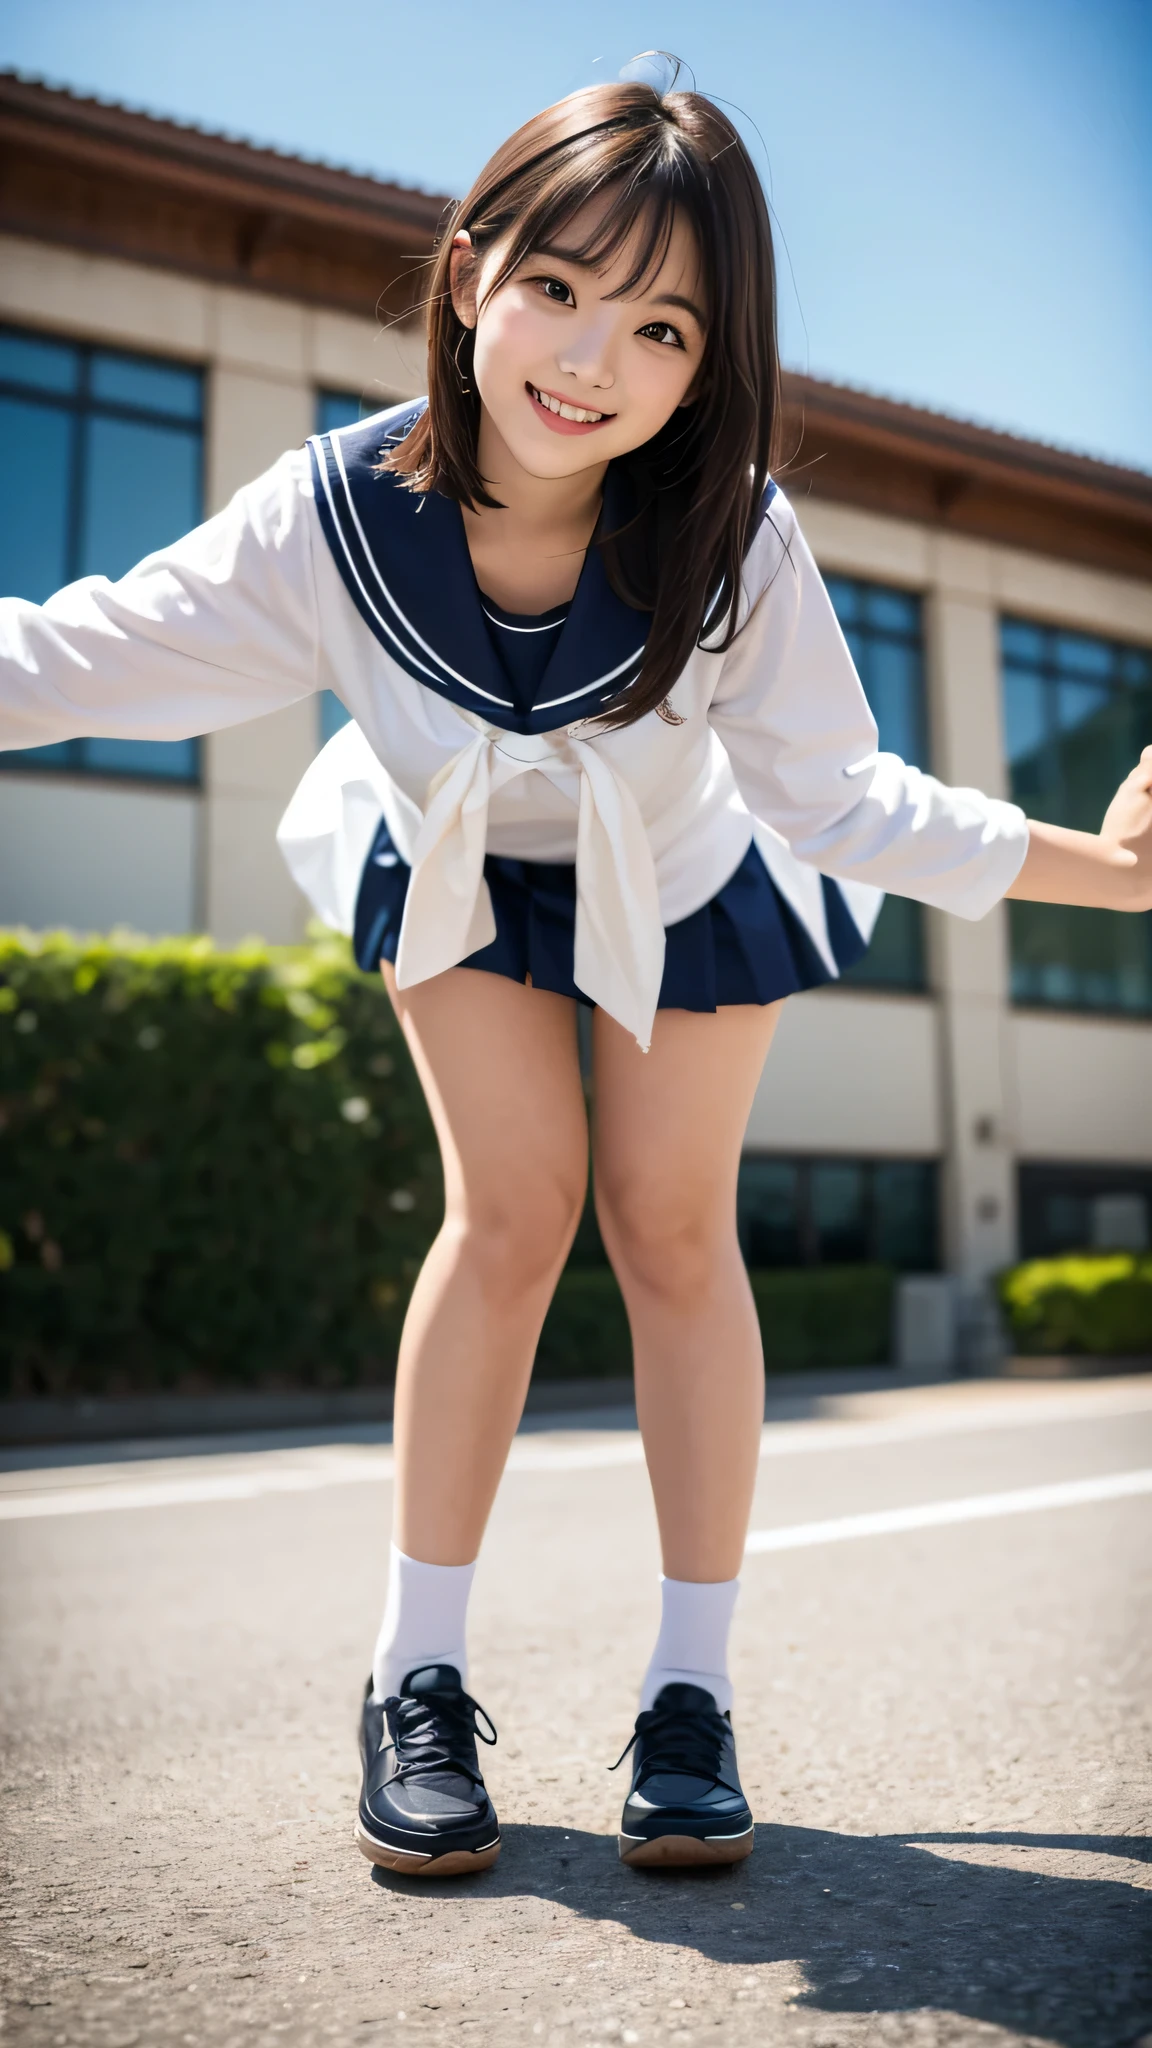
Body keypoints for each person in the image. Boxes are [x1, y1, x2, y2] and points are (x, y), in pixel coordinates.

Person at [2, 77, 1150, 1882]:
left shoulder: (734, 544)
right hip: (457, 873)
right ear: (469, 279)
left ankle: (690, 1695)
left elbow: (845, 797)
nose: (593, 357)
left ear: (708, 368)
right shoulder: (328, 519)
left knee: (673, 1233)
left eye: (663, 325)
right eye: (559, 288)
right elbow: (78, 654)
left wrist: (1113, 872)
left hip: (682, 885)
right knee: (510, 1217)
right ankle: (417, 1676)